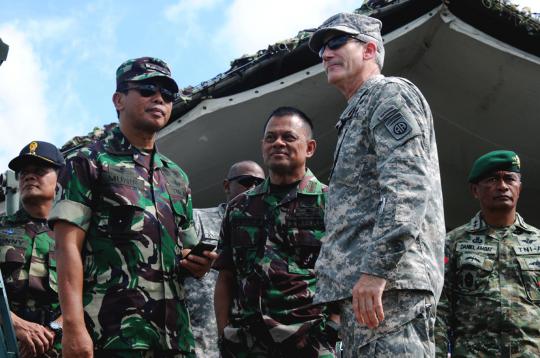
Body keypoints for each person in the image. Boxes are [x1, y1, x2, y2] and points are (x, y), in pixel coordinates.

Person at [49, 57, 217, 358]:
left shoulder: (176, 177)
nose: (159, 98)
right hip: (112, 336)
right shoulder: (88, 162)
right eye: (147, 88)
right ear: (119, 99)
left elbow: (187, 252)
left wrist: (198, 263)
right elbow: (66, 248)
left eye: (167, 94)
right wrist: (73, 327)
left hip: (174, 338)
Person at [308, 13, 445, 356]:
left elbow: (407, 187)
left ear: (370, 49)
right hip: (370, 294)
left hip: (390, 290)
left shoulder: (388, 94)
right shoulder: (358, 111)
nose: (326, 54)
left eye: (337, 43)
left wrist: (375, 271)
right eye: (323, 47)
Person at [214, 106, 339, 357]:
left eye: (288, 137)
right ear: (262, 146)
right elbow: (226, 275)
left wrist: (334, 327)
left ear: (310, 148)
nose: (278, 143)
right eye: (271, 138)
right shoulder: (239, 207)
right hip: (247, 343)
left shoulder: (333, 203)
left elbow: (346, 274)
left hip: (310, 341)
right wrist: (224, 331)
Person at [435, 150, 540, 357]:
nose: (502, 186)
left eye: (510, 179)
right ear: (475, 190)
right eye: (492, 179)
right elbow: (440, 310)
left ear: (519, 187)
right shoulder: (453, 242)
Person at [186, 160, 264, 358]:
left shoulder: (268, 229)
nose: (254, 187)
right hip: (203, 339)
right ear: (227, 186)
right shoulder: (197, 219)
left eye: (260, 183)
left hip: (250, 340)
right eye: (246, 181)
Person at [1, 141, 65, 357]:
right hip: (8, 346)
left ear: (58, 180)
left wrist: (52, 330)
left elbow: (94, 291)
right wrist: (15, 324)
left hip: (62, 347)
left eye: (39, 171)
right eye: (23, 173)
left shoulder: (76, 233)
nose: (29, 176)